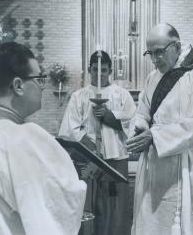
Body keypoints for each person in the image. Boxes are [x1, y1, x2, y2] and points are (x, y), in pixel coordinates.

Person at [0, 42, 86, 235]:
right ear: (18, 86)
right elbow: (55, 211)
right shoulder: (24, 139)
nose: (43, 87)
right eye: (39, 79)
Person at [126, 23, 193, 235]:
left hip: (187, 166)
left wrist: (155, 136)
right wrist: (138, 129)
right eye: (150, 53)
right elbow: (142, 113)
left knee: (186, 224)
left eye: (159, 52)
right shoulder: (153, 77)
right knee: (152, 223)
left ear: (176, 46)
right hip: (154, 166)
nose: (155, 59)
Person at [58, 50, 136, 235]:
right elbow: (70, 129)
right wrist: (91, 148)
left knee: (115, 207)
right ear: (89, 69)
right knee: (90, 206)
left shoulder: (122, 95)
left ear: (110, 70)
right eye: (95, 69)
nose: (99, 74)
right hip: (89, 159)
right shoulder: (79, 96)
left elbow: (132, 124)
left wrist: (110, 117)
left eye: (103, 70)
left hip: (116, 160)